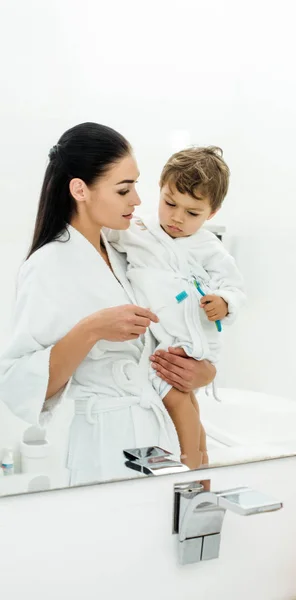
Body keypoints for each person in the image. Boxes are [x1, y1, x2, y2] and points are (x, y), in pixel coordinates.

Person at [0, 122, 216, 486]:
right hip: (105, 439)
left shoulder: (123, 250)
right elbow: (17, 383)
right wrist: (92, 329)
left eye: (136, 184)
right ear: (80, 190)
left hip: (155, 428)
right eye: (123, 189)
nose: (137, 199)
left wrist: (203, 373)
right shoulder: (48, 265)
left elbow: (176, 325)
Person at [106, 147, 246, 469]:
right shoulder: (139, 232)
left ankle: (195, 469)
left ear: (212, 213)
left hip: (196, 346)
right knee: (185, 408)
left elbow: (235, 288)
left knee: (191, 411)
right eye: (170, 204)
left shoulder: (210, 248)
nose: (178, 218)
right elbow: (105, 229)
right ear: (159, 190)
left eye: (193, 212)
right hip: (165, 343)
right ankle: (195, 467)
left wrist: (225, 303)